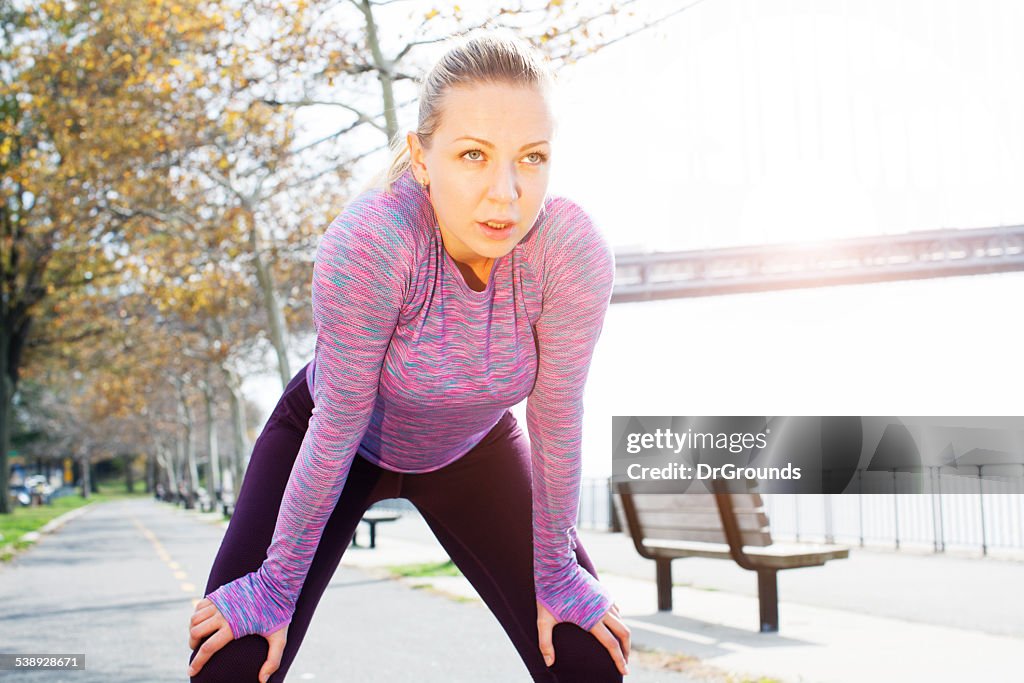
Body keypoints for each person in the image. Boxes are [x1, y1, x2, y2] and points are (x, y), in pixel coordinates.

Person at [186, 29, 629, 682]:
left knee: (589, 658)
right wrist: (275, 587)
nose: (506, 192)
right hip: (337, 436)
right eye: (474, 154)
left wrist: (559, 572)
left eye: (530, 157)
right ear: (422, 159)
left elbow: (557, 415)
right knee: (234, 664)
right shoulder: (374, 243)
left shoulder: (569, 251)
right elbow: (335, 427)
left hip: (471, 449)